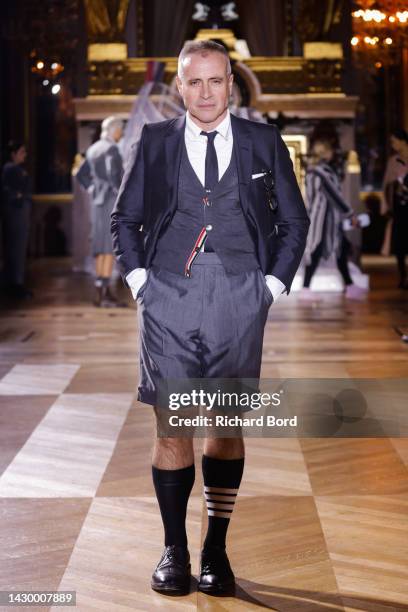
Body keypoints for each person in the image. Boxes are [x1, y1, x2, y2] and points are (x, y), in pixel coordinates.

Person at [111, 40, 309, 596]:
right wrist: (141, 281)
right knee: (172, 422)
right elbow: (124, 217)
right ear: (179, 86)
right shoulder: (154, 142)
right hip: (168, 292)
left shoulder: (263, 141)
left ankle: (215, 549)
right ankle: (174, 549)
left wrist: (268, 287)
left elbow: (295, 221)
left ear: (231, 83)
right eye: (193, 82)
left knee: (225, 424)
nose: (205, 92)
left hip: (240, 295)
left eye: (215, 81)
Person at [300, 138, 366, 301]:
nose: (333, 153)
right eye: (330, 150)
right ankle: (306, 288)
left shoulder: (312, 170)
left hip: (321, 218)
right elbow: (335, 196)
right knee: (317, 251)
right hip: (323, 220)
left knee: (339, 250)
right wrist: (350, 214)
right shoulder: (323, 172)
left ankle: (349, 286)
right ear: (325, 153)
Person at [77, 116, 126, 307]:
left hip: (97, 202)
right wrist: (124, 199)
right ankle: (105, 293)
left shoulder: (93, 148)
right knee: (108, 246)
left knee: (100, 245)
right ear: (114, 130)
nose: (121, 133)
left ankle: (101, 291)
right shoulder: (112, 149)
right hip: (110, 201)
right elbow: (116, 179)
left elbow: (81, 174)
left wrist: (92, 188)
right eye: (120, 129)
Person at [1, 141, 33, 299]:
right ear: (13, 154)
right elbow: (7, 190)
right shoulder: (9, 168)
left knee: (19, 250)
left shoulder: (17, 169)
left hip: (20, 215)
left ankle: (17, 283)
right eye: (21, 152)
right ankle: (14, 285)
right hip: (15, 215)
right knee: (15, 250)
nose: (24, 155)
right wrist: (18, 196)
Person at [381, 128, 408, 288]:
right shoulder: (393, 161)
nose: (392, 145)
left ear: (403, 141)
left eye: (394, 141)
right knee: (400, 242)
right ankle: (402, 276)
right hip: (399, 206)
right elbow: (386, 183)